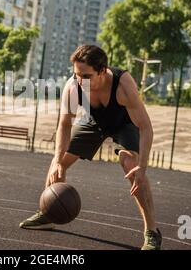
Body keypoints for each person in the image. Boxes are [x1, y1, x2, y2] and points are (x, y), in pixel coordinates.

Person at [19, 45, 162, 250]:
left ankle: (152, 232)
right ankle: (49, 212)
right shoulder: (74, 86)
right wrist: (57, 160)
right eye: (76, 74)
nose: (79, 80)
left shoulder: (123, 85)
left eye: (85, 76)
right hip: (93, 120)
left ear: (102, 71)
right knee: (60, 162)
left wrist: (143, 167)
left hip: (124, 122)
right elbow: (65, 124)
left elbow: (146, 127)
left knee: (130, 163)